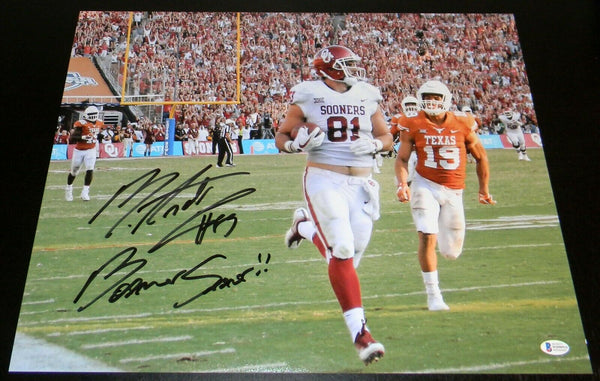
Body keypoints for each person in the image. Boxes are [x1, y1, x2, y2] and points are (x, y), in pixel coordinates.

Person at [275, 45, 393, 365]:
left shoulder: (367, 93)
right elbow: (282, 136)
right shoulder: (308, 94)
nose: (354, 68)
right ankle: (361, 335)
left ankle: (304, 225)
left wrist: (376, 144)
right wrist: (295, 143)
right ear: (330, 68)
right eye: (347, 64)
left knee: (348, 258)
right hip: (325, 179)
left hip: (363, 184)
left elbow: (386, 136)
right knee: (340, 248)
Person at [394, 80, 496, 311]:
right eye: (427, 96)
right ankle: (434, 295)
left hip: (454, 191)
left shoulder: (462, 122)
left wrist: (484, 190)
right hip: (424, 185)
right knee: (427, 236)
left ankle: (438, 236)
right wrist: (402, 183)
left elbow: (481, 157)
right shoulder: (412, 123)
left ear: (445, 99)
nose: (431, 101)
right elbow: (401, 158)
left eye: (436, 97)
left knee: (451, 252)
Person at [65, 105, 105, 201]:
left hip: (91, 150)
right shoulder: (81, 123)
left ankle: (85, 192)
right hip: (79, 150)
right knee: (74, 172)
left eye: (94, 114)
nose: (93, 116)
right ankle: (69, 188)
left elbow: (99, 134)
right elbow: (73, 138)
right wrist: (83, 137)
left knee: (90, 169)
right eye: (91, 114)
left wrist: (101, 136)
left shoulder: (100, 123)